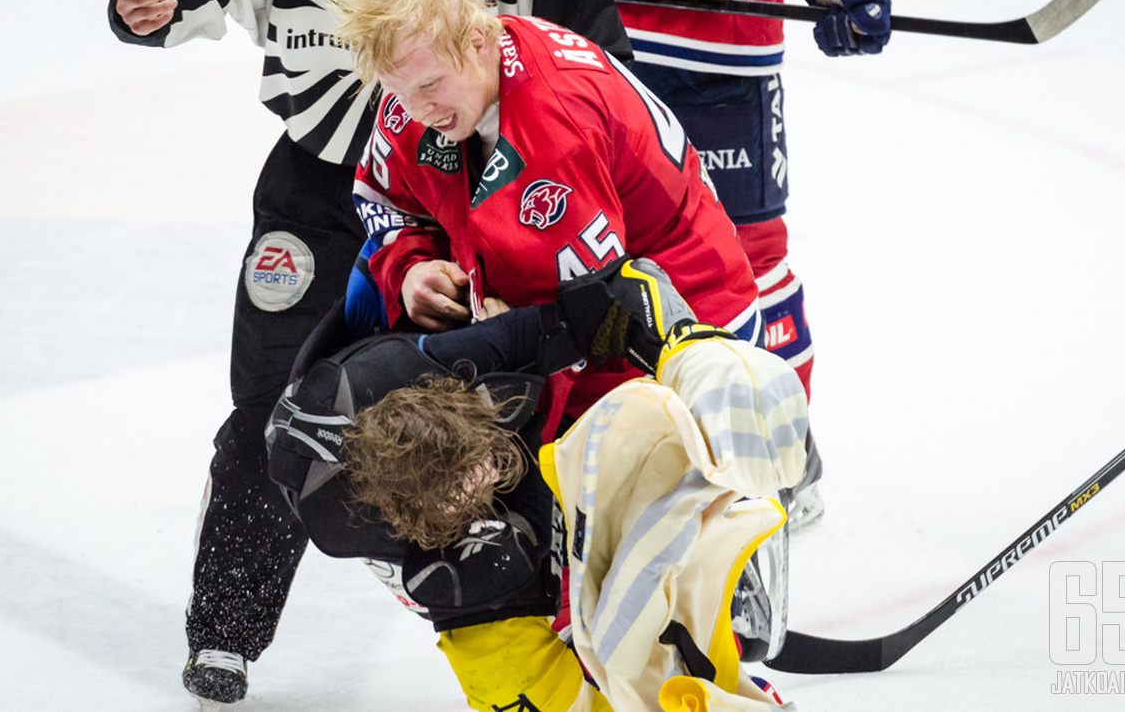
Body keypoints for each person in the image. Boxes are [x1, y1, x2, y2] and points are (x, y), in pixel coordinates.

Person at [106, 0, 632, 704]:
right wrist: (154, 0)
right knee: (270, 408)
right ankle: (227, 624)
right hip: (318, 197)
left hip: (468, 193)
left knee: (527, 404)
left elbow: (594, 49)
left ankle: (560, 614)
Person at [266, 258, 810, 711]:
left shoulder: (439, 363)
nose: (489, 476)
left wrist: (693, 352)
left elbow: (612, 298)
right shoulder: (377, 539)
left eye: (481, 459)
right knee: (505, 649)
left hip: (407, 389)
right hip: (417, 513)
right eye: (466, 488)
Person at [328, 0, 764, 430]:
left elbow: (593, 318)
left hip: (687, 320)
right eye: (398, 92)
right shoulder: (418, 86)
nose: (416, 111)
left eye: (429, 87)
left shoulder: (555, 127)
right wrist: (410, 268)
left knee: (647, 491)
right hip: (583, 306)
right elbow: (385, 199)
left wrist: (503, 338)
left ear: (478, 41)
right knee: (364, 295)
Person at [566, 0, 895, 528]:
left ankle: (776, 459)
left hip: (716, 43)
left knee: (746, 262)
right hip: (573, 26)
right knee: (580, 249)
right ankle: (611, 458)